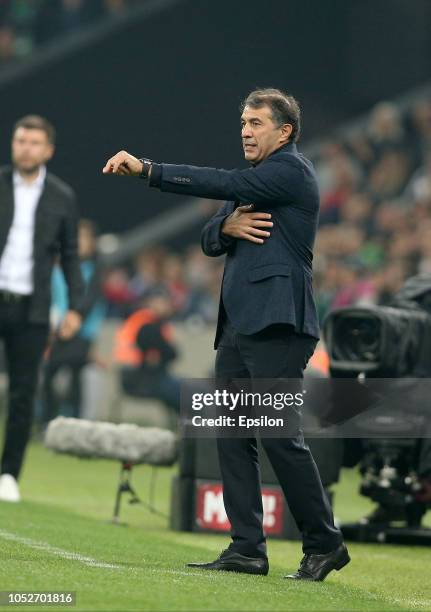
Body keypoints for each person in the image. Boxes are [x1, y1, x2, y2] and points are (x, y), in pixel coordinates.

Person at [102, 88, 349, 581]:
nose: (245, 130)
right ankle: (246, 548)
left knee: (279, 437)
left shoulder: (291, 171)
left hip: (278, 323)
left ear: (285, 132)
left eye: (256, 123)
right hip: (239, 326)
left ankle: (325, 543)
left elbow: (221, 183)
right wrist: (227, 227)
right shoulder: (255, 182)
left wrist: (150, 170)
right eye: (243, 122)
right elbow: (208, 236)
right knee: (232, 434)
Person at [0, 115, 83, 503]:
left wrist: (76, 308)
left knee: (23, 392)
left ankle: (8, 474)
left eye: (33, 142)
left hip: (32, 308)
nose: (25, 148)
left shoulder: (62, 196)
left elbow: (70, 257)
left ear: (48, 149)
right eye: (20, 141)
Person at [40, 219, 106, 425]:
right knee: (50, 373)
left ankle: (74, 424)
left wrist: (74, 319)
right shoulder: (61, 268)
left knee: (75, 375)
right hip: (60, 329)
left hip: (82, 331)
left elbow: (91, 299)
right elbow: (53, 298)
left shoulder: (96, 268)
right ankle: (48, 421)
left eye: (85, 238)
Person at [114, 288, 180, 413]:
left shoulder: (147, 321)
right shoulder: (148, 325)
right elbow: (170, 353)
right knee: (185, 391)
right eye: (161, 302)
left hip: (140, 375)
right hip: (139, 378)